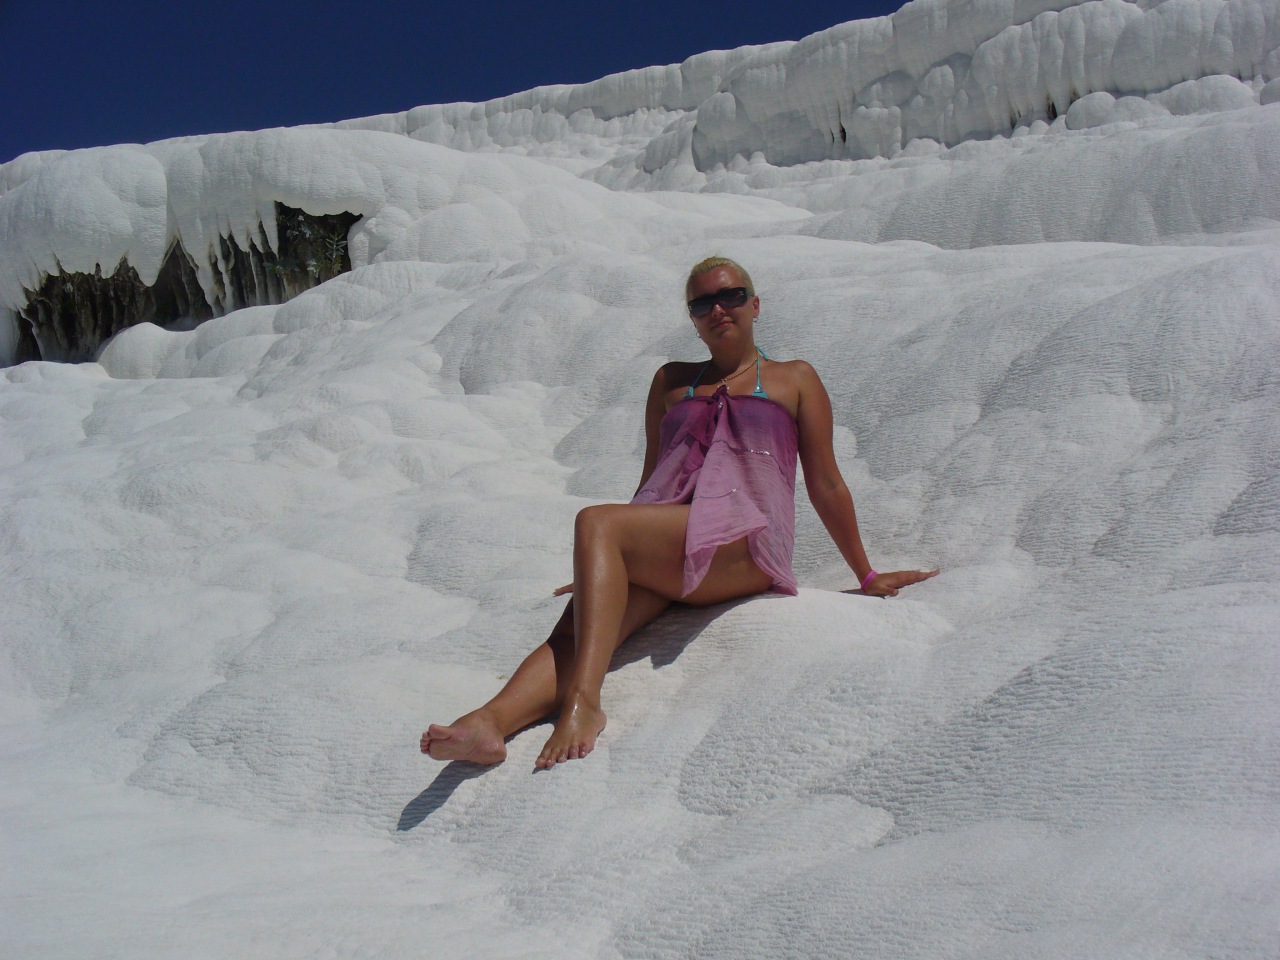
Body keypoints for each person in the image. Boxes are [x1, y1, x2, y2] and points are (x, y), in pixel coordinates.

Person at [421, 257, 937, 770]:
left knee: (595, 521)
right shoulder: (670, 381)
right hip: (675, 542)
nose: (718, 309)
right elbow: (652, 481)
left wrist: (865, 574)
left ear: (755, 305)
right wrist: (602, 564)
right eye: (702, 303)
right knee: (577, 630)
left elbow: (826, 482)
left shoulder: (795, 378)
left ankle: (585, 705)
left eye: (731, 296)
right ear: (692, 319)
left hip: (744, 546)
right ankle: (488, 723)